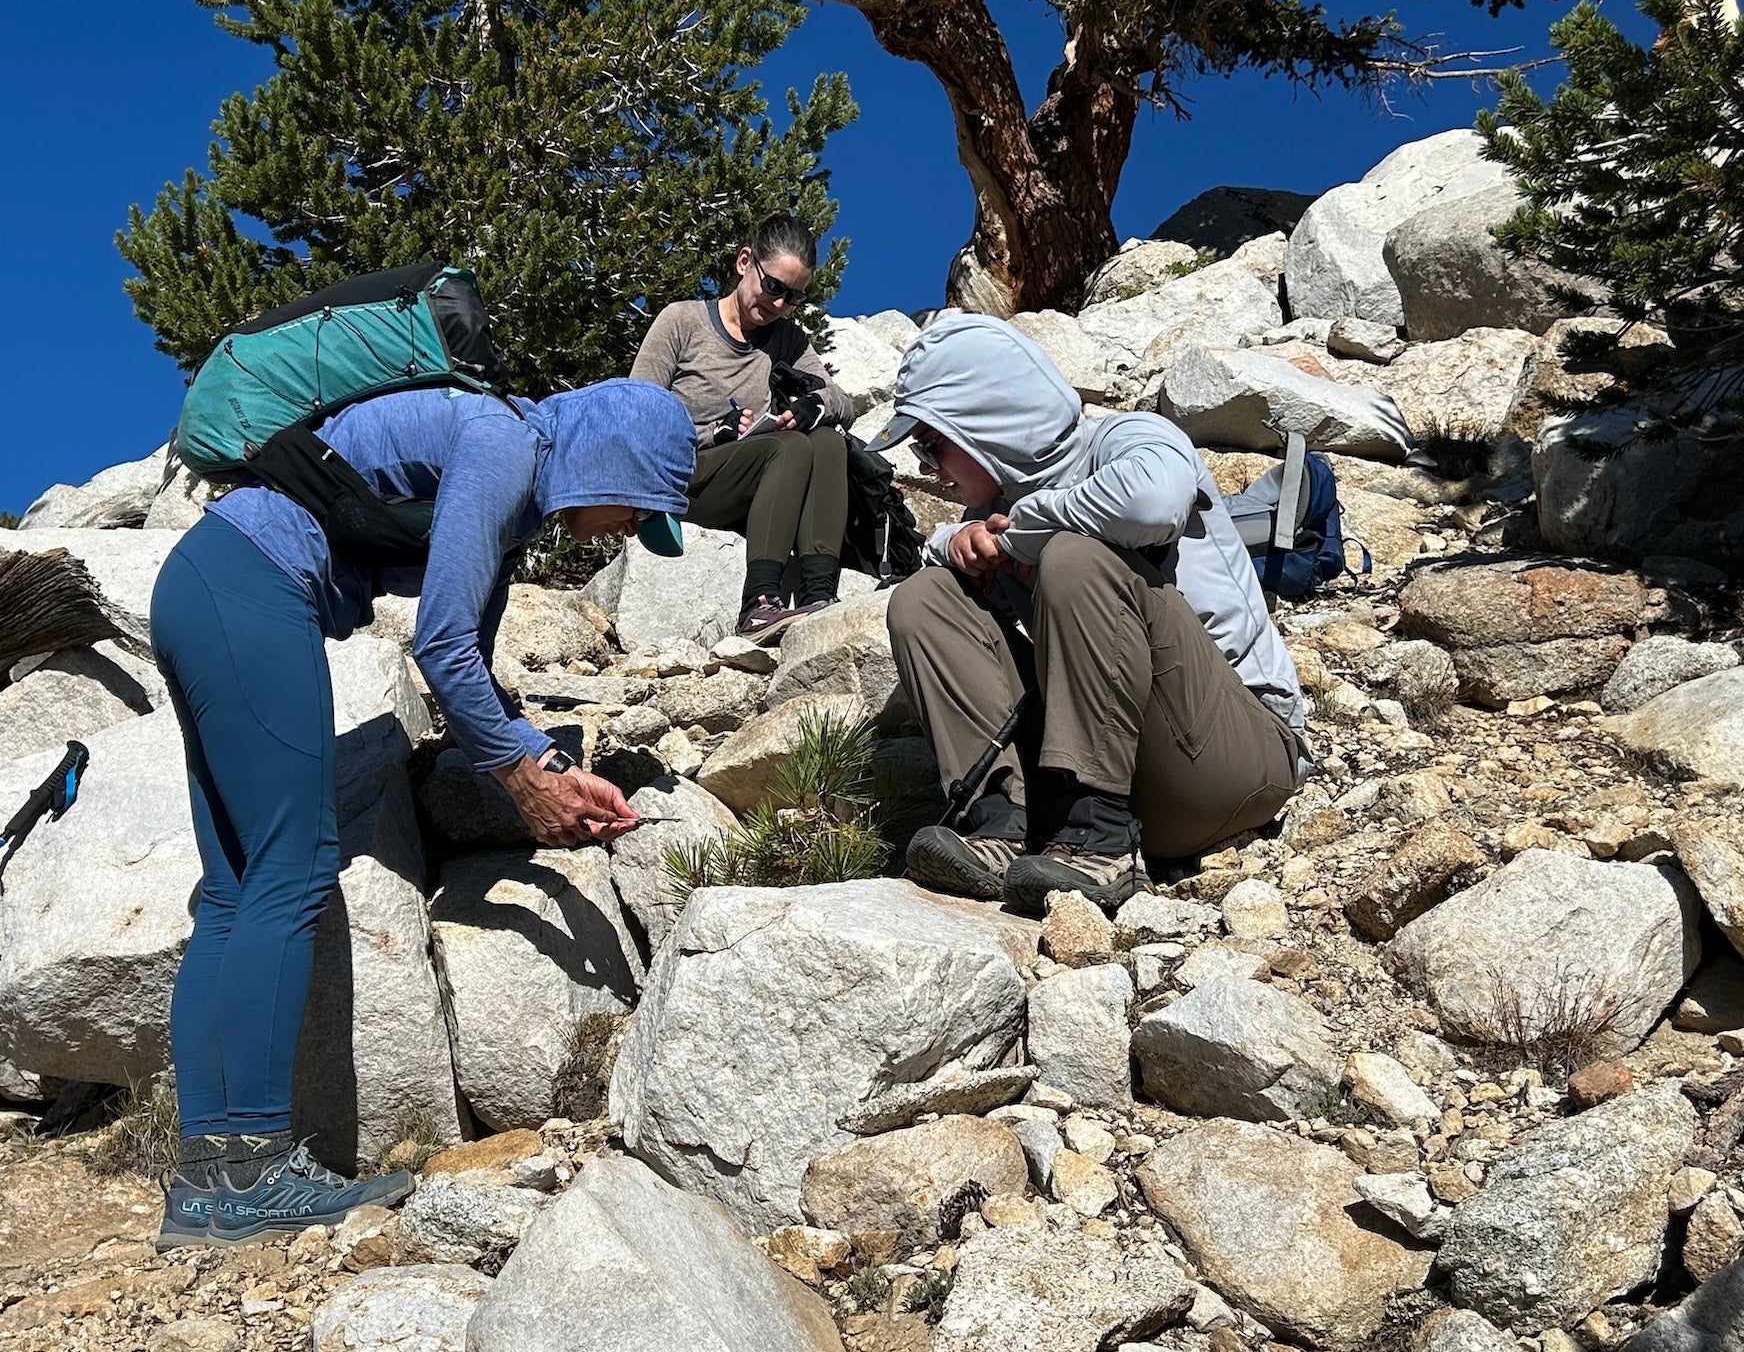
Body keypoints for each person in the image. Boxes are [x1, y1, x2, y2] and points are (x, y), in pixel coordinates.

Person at [148, 378, 696, 1247]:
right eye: (639, 509)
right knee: (292, 869)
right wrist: (520, 782)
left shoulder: (509, 476)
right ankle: (251, 1171)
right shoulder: (505, 447)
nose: (630, 531)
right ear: (612, 463)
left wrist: (544, 763)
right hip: (254, 588)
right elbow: (437, 645)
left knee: (235, 890)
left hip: (205, 583)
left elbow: (467, 656)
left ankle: (210, 1185)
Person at [872, 316, 1309, 914]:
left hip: (1231, 765)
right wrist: (957, 541)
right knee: (925, 598)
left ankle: (1098, 839)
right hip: (1129, 779)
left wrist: (1026, 530)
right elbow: (950, 569)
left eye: (931, 442)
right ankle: (1003, 818)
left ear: (980, 422)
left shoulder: (1128, 439)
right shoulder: (1000, 510)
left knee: (1074, 557)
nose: (928, 467)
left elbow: (1153, 502)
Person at [632, 212, 856, 641]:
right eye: (773, 287)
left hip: (754, 484)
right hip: (685, 480)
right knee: (787, 448)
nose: (777, 304)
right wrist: (715, 434)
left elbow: (842, 401)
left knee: (826, 441)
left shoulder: (787, 340)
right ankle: (758, 604)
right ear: (744, 262)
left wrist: (815, 405)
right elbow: (635, 416)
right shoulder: (682, 322)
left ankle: (820, 592)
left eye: (792, 298)